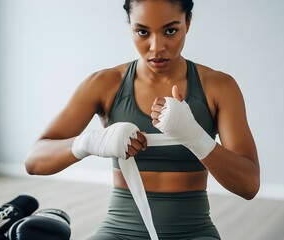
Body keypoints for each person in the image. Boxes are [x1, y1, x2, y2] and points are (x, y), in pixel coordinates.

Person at [25, 0, 260, 239]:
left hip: (194, 232)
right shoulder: (105, 84)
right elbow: (34, 161)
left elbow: (248, 186)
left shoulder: (219, 87)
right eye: (142, 32)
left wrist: (195, 136)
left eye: (170, 30)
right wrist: (90, 143)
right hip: (118, 232)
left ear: (187, 22)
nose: (156, 47)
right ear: (130, 26)